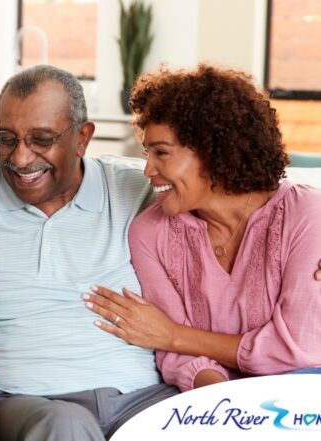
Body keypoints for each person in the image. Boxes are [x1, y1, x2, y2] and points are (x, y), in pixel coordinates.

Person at [0, 65, 180, 440]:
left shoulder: (140, 188)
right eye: (6, 138)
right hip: (30, 401)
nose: (19, 158)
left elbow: (242, 199)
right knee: (64, 425)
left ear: (83, 138)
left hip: (141, 397)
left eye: (41, 139)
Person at [85, 64, 321, 392]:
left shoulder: (306, 215)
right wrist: (223, 408)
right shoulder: (150, 233)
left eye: (161, 153)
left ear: (213, 151)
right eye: (147, 153)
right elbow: (176, 357)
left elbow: (297, 348)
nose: (148, 169)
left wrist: (174, 335)